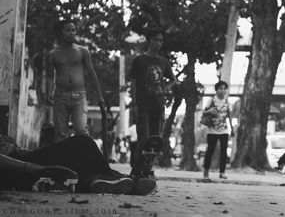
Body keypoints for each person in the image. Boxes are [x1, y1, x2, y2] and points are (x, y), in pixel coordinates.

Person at [0, 134, 155, 195]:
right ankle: (120, 181)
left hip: (18, 156)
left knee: (76, 166)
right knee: (83, 142)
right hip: (14, 167)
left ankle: (105, 180)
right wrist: (39, 169)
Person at [46, 18, 105, 143]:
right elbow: (50, 77)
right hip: (60, 96)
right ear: (60, 33)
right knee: (60, 132)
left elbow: (92, 74)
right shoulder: (53, 54)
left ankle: (86, 159)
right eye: (68, 30)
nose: (72, 33)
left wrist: (99, 95)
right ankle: (61, 162)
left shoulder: (82, 51)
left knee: (81, 129)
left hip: (79, 96)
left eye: (73, 30)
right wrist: (48, 94)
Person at [129, 27, 177, 179]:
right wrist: (135, 103)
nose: (158, 43)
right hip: (143, 105)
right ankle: (136, 170)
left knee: (156, 140)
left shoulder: (163, 62)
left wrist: (165, 89)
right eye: (156, 39)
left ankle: (148, 169)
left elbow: (173, 79)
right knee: (144, 137)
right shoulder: (140, 60)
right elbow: (134, 82)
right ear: (149, 40)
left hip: (159, 105)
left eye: (161, 40)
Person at [202, 80, 234, 179]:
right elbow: (204, 113)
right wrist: (210, 111)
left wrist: (231, 128)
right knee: (210, 151)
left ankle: (222, 172)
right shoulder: (211, 100)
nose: (223, 91)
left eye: (224, 89)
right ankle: (206, 171)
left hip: (224, 130)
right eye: (220, 89)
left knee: (224, 152)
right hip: (212, 130)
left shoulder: (227, 101)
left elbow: (229, 115)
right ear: (216, 90)